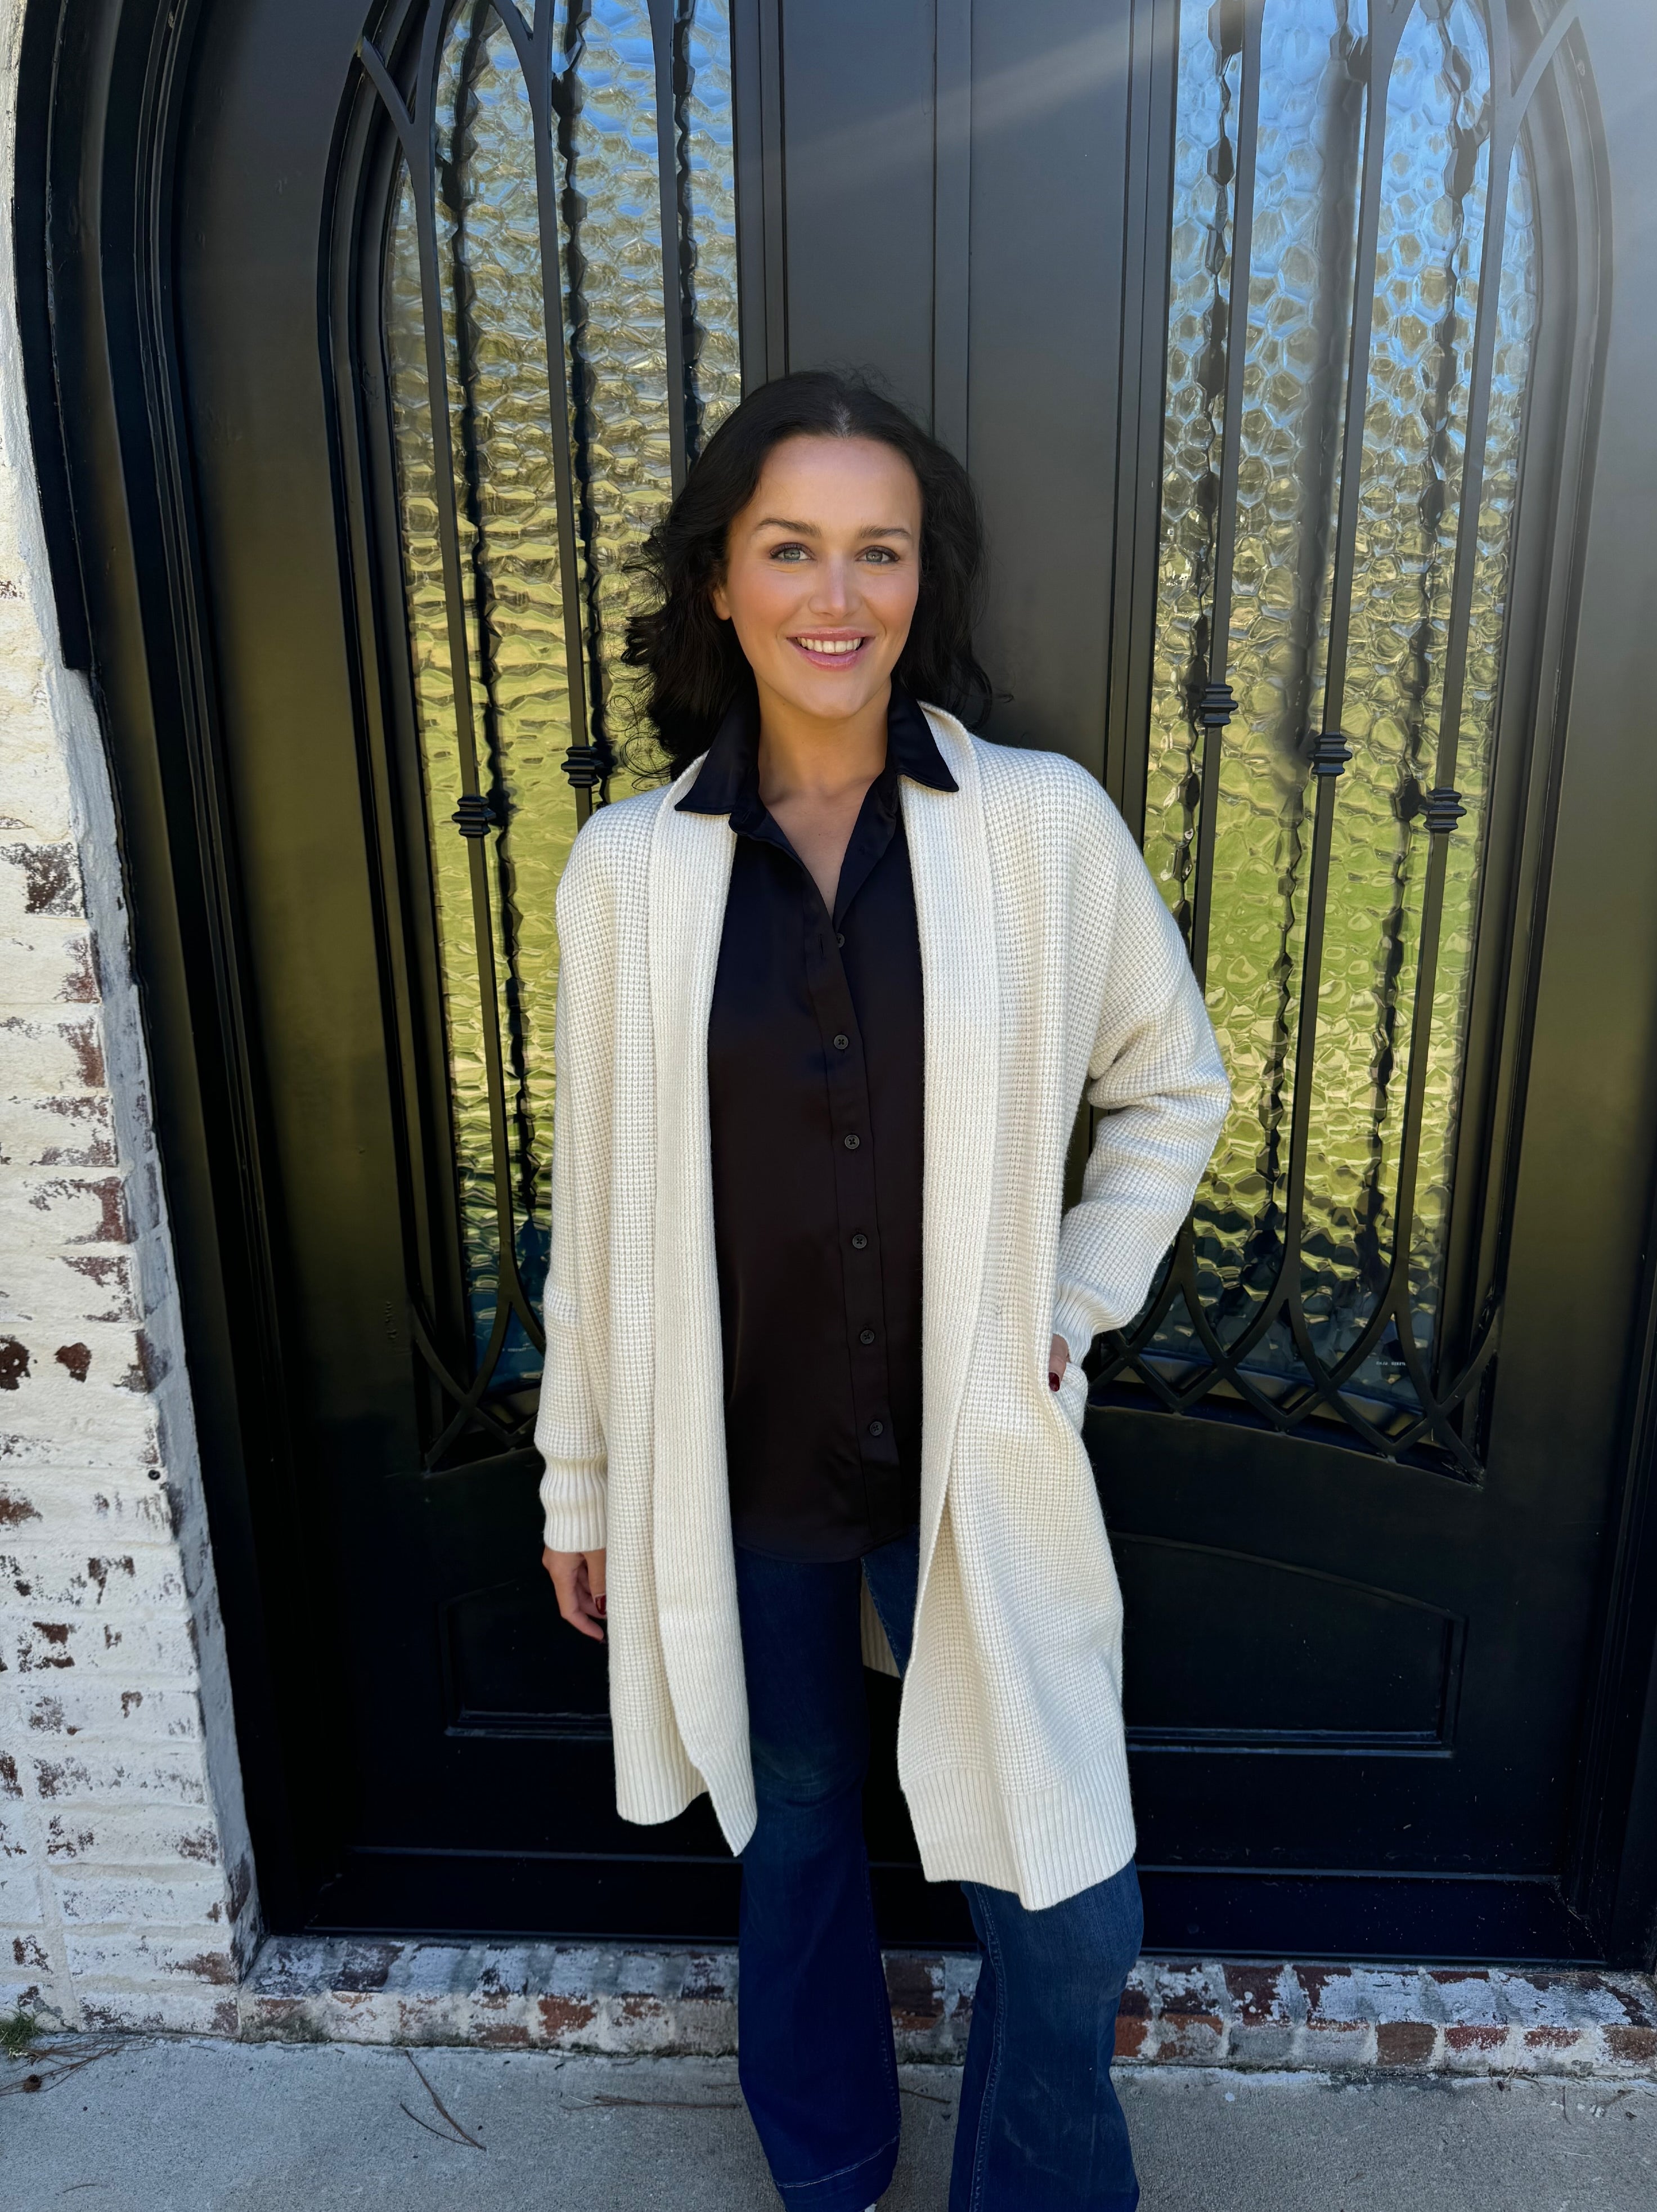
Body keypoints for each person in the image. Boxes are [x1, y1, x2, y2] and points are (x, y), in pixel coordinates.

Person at [538, 370, 1228, 2211]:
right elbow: (596, 1206)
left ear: (925, 578)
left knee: (1069, 1910)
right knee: (796, 1833)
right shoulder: (629, 873)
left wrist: (1071, 1301)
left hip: (972, 1456)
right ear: (720, 579)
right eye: (791, 548)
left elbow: (1173, 1081)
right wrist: (580, 1475)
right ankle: (832, 2165)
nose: (836, 596)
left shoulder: (1037, 829)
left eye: (880, 550)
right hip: (739, 1454)